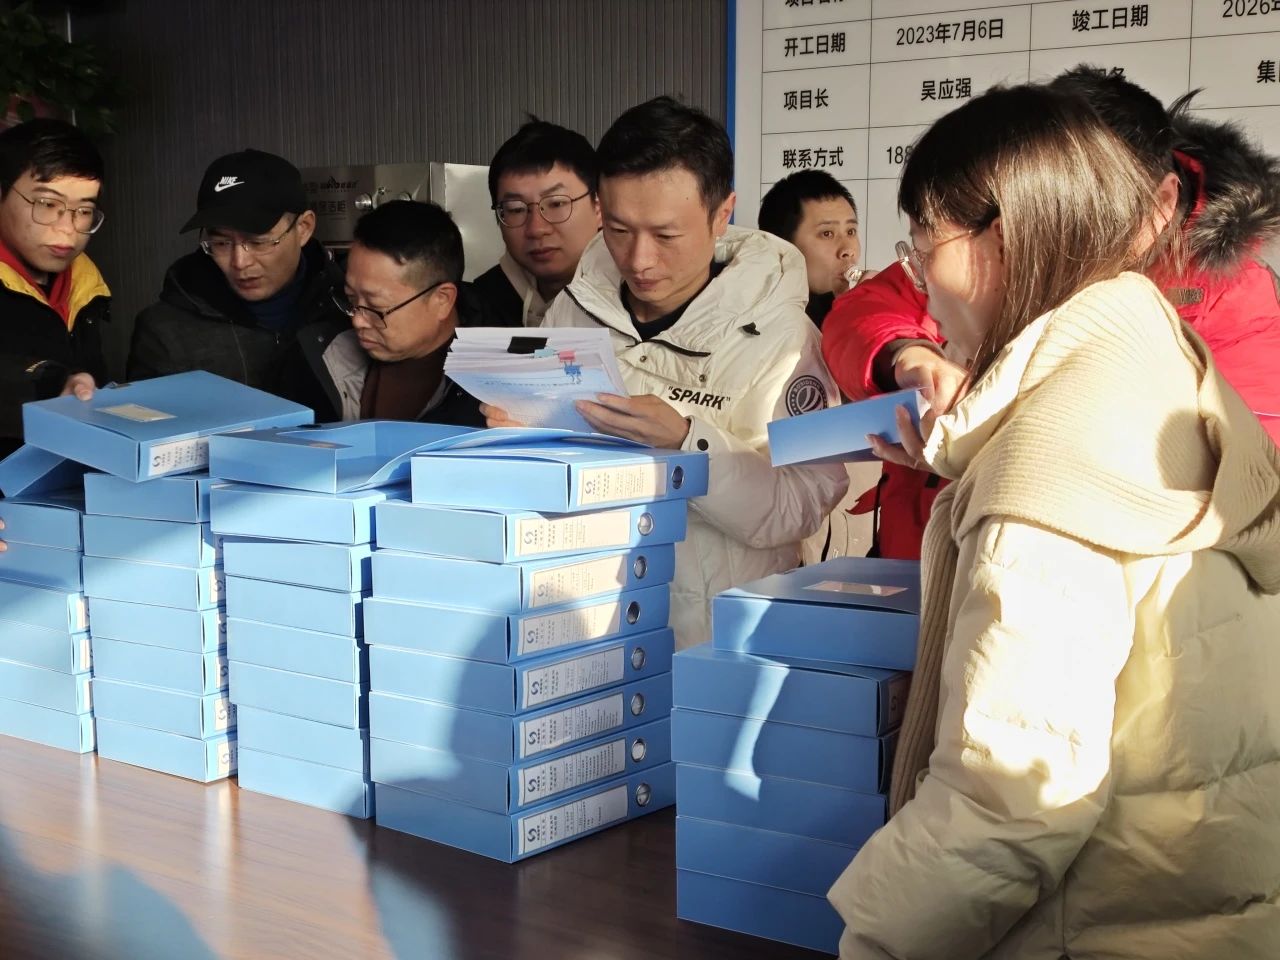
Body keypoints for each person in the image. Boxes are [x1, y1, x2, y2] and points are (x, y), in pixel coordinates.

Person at [828, 83, 1280, 959]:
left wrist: (873, 943)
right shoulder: (1157, 354)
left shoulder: (1047, 469)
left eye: (924, 246)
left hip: (1087, 924)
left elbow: (1005, 808)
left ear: (1002, 239)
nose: (921, 284)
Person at [823, 65, 1280, 561]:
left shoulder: (1236, 309)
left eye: (1078, 199)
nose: (1043, 225)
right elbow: (861, 313)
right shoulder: (971, 260)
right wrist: (906, 352)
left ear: (1159, 203)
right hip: (924, 560)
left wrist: (985, 456)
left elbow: (1207, 498)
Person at [485, 96, 847, 649]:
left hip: (717, 644)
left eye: (666, 235)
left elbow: (800, 507)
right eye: (619, 229)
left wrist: (688, 443)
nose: (639, 260)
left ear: (722, 214)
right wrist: (523, 438)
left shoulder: (786, 340)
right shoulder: (574, 309)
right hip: (590, 631)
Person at [128, 149, 346, 419]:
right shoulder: (164, 331)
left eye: (258, 242)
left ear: (303, 228)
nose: (240, 262)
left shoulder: (351, 311)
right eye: (221, 243)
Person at [312, 199, 508, 426]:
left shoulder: (502, 389)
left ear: (442, 300)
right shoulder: (319, 355)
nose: (357, 320)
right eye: (351, 298)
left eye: (376, 306)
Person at [0, 118, 108, 460]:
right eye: (47, 204)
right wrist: (51, 383)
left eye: (84, 210)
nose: (68, 229)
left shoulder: (86, 286)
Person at [473, 119, 601, 326]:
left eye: (556, 204)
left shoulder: (637, 297)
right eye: (516, 209)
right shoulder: (478, 307)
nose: (536, 229)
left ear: (599, 207)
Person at [758, 169, 867, 328]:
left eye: (850, 231)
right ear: (783, 246)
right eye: (827, 233)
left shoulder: (853, 308)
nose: (848, 250)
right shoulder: (759, 320)